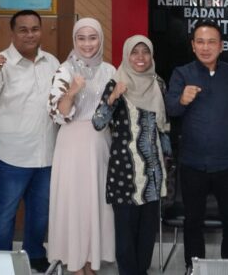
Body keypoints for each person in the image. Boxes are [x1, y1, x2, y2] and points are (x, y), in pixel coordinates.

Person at [165, 20, 228, 271]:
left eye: (211, 42)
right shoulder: (182, 74)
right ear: (193, 46)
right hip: (193, 163)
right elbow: (170, 108)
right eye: (200, 42)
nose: (206, 47)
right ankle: (194, 268)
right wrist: (182, 100)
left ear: (221, 46)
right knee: (193, 221)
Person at [0, 9, 60, 273]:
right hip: (9, 154)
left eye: (34, 29)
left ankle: (34, 253)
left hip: (45, 153)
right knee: (4, 212)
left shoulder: (52, 62)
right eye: (23, 29)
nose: (30, 34)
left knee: (40, 211)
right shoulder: (0, 63)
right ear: (12, 33)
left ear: (41, 31)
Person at [93, 35, 171, 275]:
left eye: (145, 52)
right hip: (124, 171)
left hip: (152, 172)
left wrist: (168, 160)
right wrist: (113, 97)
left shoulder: (158, 84)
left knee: (147, 232)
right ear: (127, 55)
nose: (140, 57)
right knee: (125, 232)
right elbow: (98, 122)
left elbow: (163, 127)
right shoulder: (116, 83)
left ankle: (142, 271)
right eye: (134, 52)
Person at [47, 18, 116, 275]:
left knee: (95, 204)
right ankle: (76, 265)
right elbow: (59, 113)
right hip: (73, 146)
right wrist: (72, 91)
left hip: (100, 145)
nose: (87, 44)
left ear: (100, 39)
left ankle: (91, 263)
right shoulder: (65, 70)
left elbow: (114, 111)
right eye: (81, 38)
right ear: (74, 40)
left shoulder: (109, 70)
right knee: (74, 203)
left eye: (93, 37)